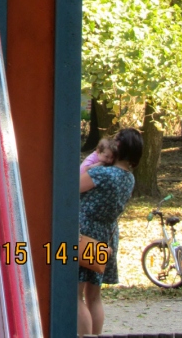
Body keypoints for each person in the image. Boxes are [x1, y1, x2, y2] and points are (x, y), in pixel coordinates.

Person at [77, 127, 143, 338]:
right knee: (94, 295)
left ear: (120, 147)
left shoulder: (101, 174)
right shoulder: (129, 178)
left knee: (74, 295)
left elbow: (69, 187)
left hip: (84, 235)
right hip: (106, 236)